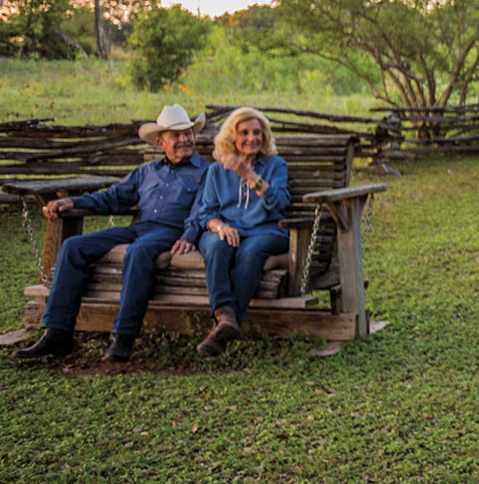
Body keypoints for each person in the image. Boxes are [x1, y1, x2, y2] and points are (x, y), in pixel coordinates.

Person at [17, 104, 208, 362]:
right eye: (177, 135)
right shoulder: (147, 172)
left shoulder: (206, 172)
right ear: (161, 142)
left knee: (138, 252)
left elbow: (203, 208)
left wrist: (190, 234)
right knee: (73, 246)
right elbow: (114, 198)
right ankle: (57, 333)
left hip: (172, 231)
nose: (185, 139)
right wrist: (75, 202)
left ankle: (123, 337)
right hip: (140, 228)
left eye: (188, 133)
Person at [190, 106, 290, 357]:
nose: (251, 138)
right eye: (244, 133)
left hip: (266, 231)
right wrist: (220, 226)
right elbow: (206, 213)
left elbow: (279, 204)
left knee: (251, 250)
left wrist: (250, 175)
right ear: (231, 138)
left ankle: (220, 331)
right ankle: (225, 314)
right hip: (227, 229)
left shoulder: (275, 165)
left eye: (257, 132)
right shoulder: (216, 170)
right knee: (215, 245)